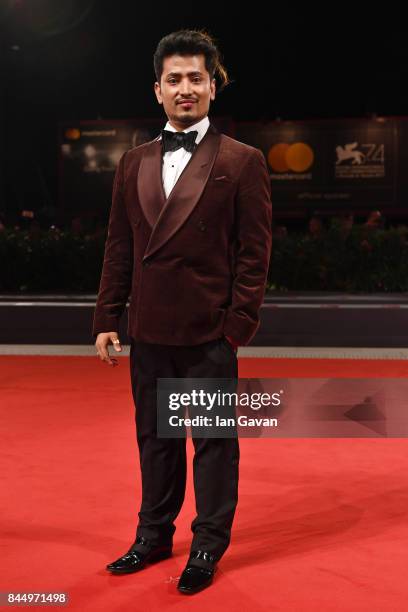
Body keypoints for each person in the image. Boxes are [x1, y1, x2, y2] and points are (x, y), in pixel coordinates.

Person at [93, 29, 272, 595]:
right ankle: (152, 537)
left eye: (197, 77)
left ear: (213, 87)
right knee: (155, 440)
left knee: (213, 445)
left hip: (207, 333)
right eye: (174, 79)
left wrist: (235, 328)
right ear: (157, 90)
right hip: (148, 330)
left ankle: (207, 545)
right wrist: (106, 318)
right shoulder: (132, 162)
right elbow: (119, 247)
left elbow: (254, 253)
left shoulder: (243, 162)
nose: (185, 88)